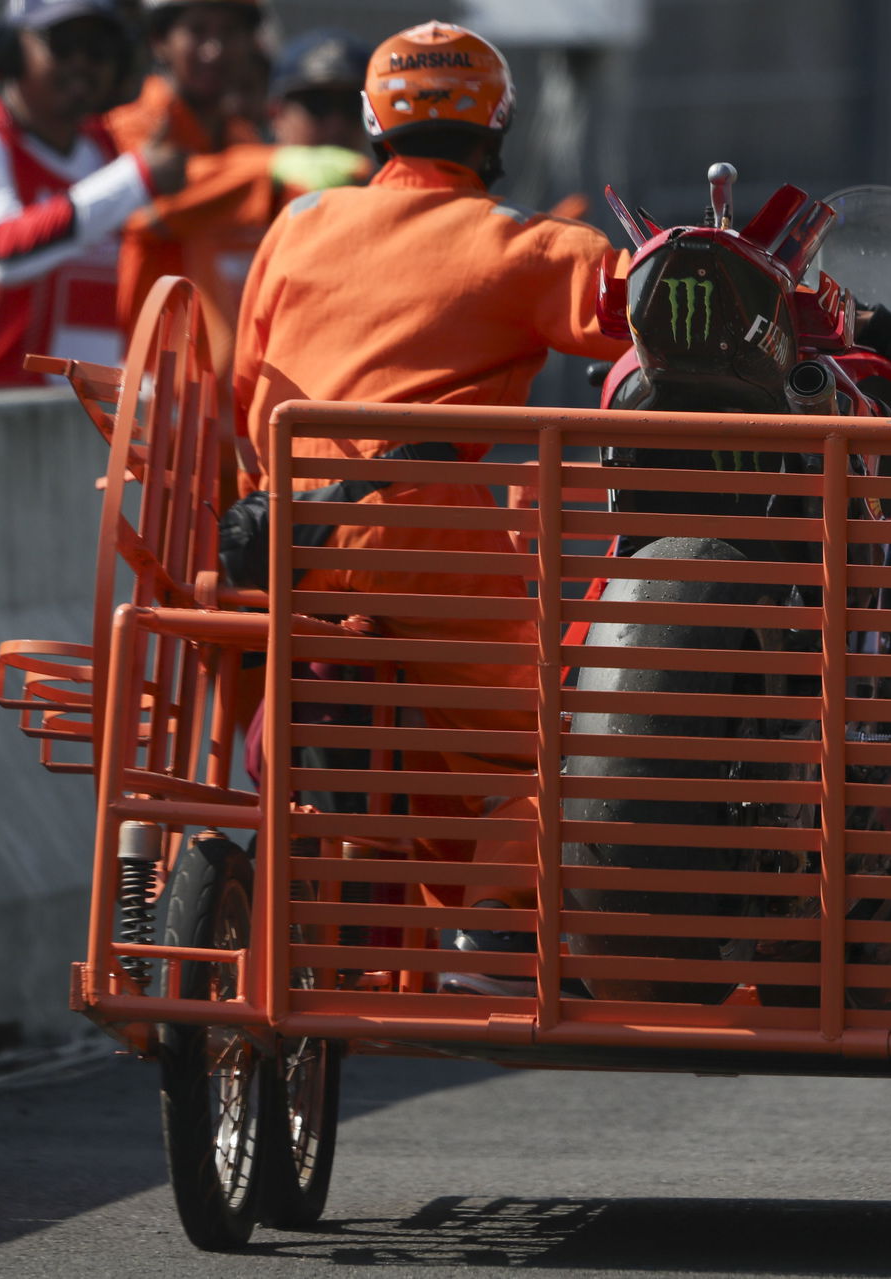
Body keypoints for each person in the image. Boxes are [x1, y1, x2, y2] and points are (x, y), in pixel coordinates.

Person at [230, 19, 631, 991]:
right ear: (497, 129)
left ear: (373, 126)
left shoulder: (298, 227)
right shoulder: (526, 247)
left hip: (296, 544)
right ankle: (497, 926)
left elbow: (248, 386)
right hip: (435, 544)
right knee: (551, 744)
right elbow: (657, 307)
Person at [108, 0, 365, 367]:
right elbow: (151, 204)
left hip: (215, 393)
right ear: (160, 40)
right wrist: (272, 165)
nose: (215, 49)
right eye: (197, 31)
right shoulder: (129, 125)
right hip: (142, 384)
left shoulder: (243, 140)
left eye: (229, 33)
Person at [0, 0, 184, 387]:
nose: (82, 63)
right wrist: (134, 179)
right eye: (63, 44)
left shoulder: (109, 148)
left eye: (99, 48)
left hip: (89, 419)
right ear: (11, 49)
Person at [265, 27, 369, 154]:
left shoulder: (392, 173)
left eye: (353, 104)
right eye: (318, 104)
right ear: (276, 115)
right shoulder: (241, 171)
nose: (336, 125)